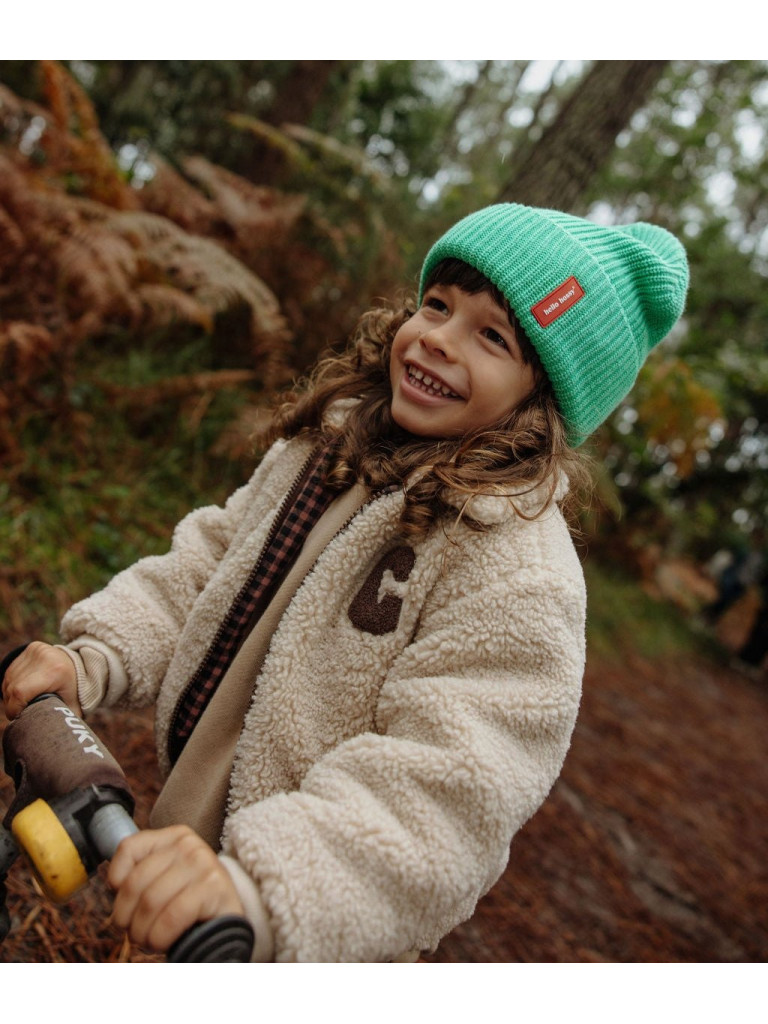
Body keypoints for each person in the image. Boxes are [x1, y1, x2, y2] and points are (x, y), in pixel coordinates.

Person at [1, 203, 689, 962]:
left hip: (298, 915)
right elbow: (207, 566)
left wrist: (264, 887)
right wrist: (90, 658)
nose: (437, 338)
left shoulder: (517, 573)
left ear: (545, 398)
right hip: (181, 855)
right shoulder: (330, 445)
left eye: (491, 336)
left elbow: (449, 790)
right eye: (437, 305)